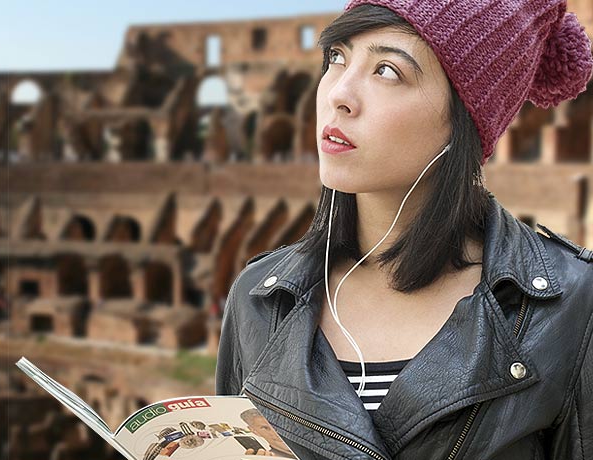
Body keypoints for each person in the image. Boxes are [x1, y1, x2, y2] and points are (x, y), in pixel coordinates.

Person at [216, 1, 593, 459]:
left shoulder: (571, 306)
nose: (340, 93)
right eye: (337, 57)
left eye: (387, 71)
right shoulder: (259, 298)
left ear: (464, 120)